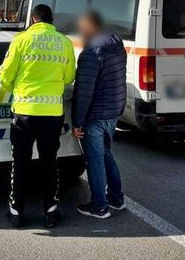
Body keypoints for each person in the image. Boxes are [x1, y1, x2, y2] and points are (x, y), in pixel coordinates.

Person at [0, 4, 76, 229]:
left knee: (20, 163)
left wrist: (17, 88)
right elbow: (69, 77)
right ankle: (50, 212)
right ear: (52, 20)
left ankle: (16, 212)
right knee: (49, 162)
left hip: (24, 113)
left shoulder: (20, 40)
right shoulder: (65, 43)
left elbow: (5, 76)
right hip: (52, 114)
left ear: (33, 19)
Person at [71, 11, 127, 219]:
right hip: (113, 111)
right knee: (106, 154)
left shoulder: (91, 52)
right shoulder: (117, 46)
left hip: (95, 114)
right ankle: (116, 199)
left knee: (95, 160)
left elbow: (84, 91)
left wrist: (77, 121)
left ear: (90, 25)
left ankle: (99, 206)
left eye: (82, 25)